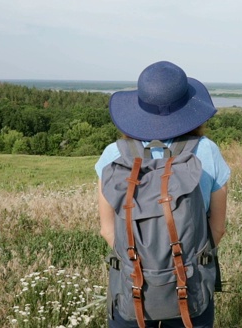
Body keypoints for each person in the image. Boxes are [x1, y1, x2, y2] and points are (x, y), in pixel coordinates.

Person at [95, 61, 230, 328]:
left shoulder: (114, 155)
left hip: (130, 286)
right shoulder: (207, 151)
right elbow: (218, 228)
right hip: (190, 286)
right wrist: (187, 260)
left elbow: (107, 230)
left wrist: (143, 264)